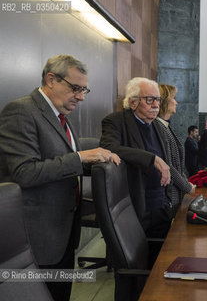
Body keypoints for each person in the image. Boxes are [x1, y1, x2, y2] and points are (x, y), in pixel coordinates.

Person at [0, 54, 120, 301]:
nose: (82, 96)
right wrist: (80, 158)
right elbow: (25, 172)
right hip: (35, 238)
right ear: (51, 79)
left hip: (64, 230)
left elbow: (63, 164)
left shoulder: (61, 116)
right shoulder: (21, 111)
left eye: (84, 89)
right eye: (75, 88)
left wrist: (97, 161)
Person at [100, 77, 174, 241]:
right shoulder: (115, 121)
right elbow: (109, 148)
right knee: (139, 260)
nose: (155, 105)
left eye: (157, 100)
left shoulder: (158, 126)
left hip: (161, 204)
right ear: (133, 102)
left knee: (160, 253)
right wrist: (151, 159)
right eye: (150, 100)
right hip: (135, 204)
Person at [156, 83, 195, 211]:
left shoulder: (165, 125)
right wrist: (187, 187)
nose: (176, 102)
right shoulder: (158, 127)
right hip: (167, 196)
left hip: (175, 193)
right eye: (173, 98)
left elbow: (177, 165)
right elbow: (169, 165)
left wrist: (186, 183)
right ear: (164, 102)